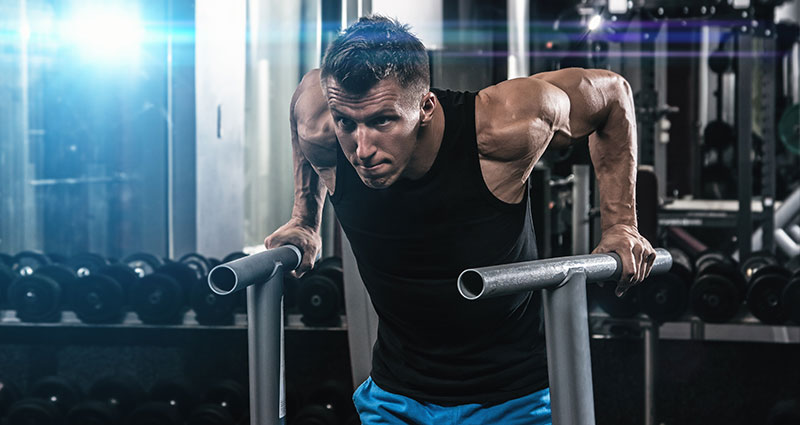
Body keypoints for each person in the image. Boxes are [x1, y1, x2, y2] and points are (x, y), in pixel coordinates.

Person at [265, 15, 656, 425]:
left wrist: (620, 223)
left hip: (514, 400)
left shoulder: (504, 126)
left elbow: (613, 95)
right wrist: (305, 219)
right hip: (393, 399)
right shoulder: (321, 117)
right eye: (347, 122)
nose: (361, 149)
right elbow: (303, 108)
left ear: (426, 107)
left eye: (383, 120)